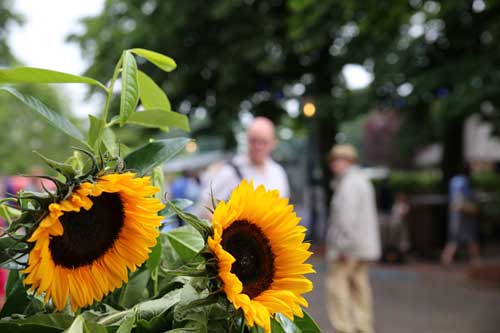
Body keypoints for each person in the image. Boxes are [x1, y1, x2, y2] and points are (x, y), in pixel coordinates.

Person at [326, 144, 381, 333]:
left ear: (348, 161)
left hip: (349, 248)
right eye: (333, 160)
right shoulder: (362, 180)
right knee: (360, 288)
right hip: (363, 247)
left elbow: (345, 219)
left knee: (337, 288)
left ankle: (344, 328)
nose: (334, 164)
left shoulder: (348, 184)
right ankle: (363, 327)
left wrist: (343, 247)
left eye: (338, 160)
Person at [195, 116, 289, 217]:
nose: (258, 147)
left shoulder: (278, 172)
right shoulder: (230, 171)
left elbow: (284, 209)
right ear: (247, 140)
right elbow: (204, 208)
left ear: (273, 143)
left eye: (264, 142)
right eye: (254, 141)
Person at [440, 166, 480, 266]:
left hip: (455, 214)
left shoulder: (454, 180)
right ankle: (476, 261)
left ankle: (446, 259)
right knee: (470, 238)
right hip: (463, 213)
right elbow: (461, 199)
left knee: (454, 239)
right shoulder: (463, 181)